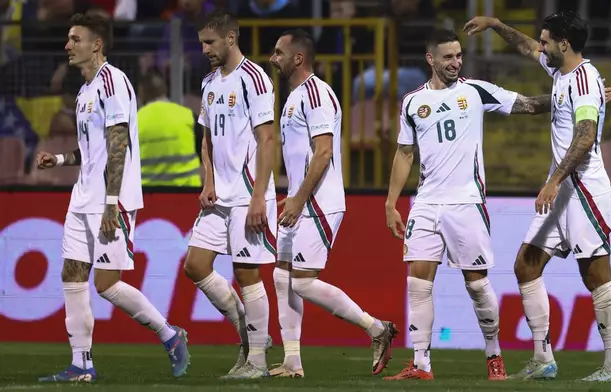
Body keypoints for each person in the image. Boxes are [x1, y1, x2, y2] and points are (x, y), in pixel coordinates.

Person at [382, 28, 611, 381]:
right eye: (448, 57)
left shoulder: (475, 91)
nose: (456, 62)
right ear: (431, 60)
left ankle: (494, 356)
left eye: (459, 55)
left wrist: (588, 99)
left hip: (467, 203)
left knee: (476, 285)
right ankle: (420, 363)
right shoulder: (413, 102)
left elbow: (529, 105)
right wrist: (391, 202)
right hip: (426, 202)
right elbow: (404, 152)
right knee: (417, 282)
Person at [463, 11, 611, 382]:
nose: (541, 45)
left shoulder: (583, 81)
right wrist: (497, 24)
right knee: (526, 265)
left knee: (596, 274)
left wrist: (553, 180)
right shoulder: (562, 73)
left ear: (564, 44)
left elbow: (585, 136)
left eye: (547, 40)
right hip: (564, 188)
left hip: (582, 188)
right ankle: (543, 359)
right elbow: (525, 47)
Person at [36, 13, 189, 383]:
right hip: (82, 197)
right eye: (68, 38)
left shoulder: (112, 82)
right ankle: (81, 364)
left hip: (110, 199)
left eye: (75, 39)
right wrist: (58, 159)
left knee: (106, 285)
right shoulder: (84, 91)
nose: (67, 45)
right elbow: (92, 151)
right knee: (72, 276)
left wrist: (111, 202)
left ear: (96, 44)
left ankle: (170, 335)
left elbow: (118, 142)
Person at [268, 29, 398, 378]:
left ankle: (377, 328)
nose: (273, 58)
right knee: (283, 277)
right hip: (301, 200)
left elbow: (323, 152)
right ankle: (292, 362)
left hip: (318, 202)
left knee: (303, 282)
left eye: (279, 52)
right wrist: (292, 194)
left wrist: (299, 198)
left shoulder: (317, 94)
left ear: (298, 58)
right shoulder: (295, 96)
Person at [183, 9, 275, 379]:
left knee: (246, 273)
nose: (205, 49)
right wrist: (208, 181)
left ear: (231, 38)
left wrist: (258, 196)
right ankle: (252, 338)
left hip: (246, 194)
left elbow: (268, 138)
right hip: (219, 197)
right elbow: (205, 138)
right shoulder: (209, 82)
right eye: (202, 42)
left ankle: (257, 362)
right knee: (195, 265)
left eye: (210, 42)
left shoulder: (254, 79)